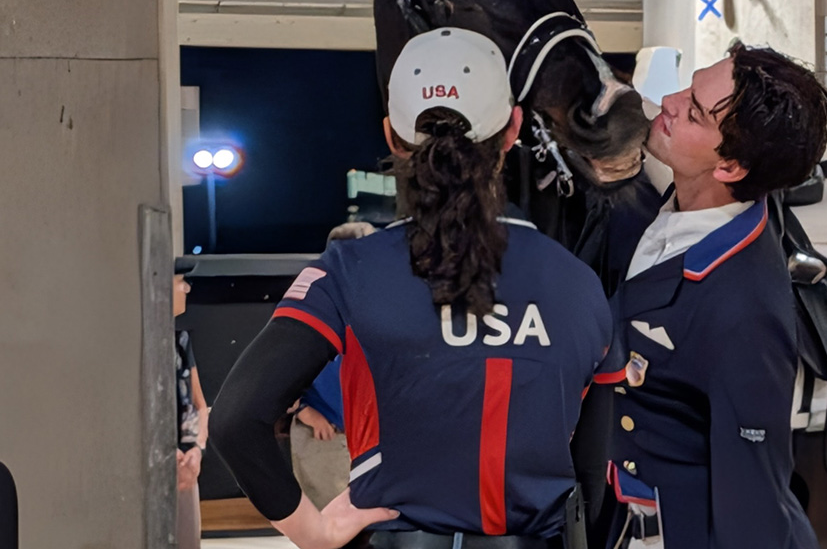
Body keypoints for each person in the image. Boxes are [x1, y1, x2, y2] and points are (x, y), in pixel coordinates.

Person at [210, 28, 622, 549]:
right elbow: (593, 477)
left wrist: (313, 532)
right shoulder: (579, 285)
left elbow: (235, 420)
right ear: (513, 128)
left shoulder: (351, 271)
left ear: (392, 137)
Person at [605, 42, 827, 549]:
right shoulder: (664, 215)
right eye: (690, 84)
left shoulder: (743, 306)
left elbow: (752, 495)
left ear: (729, 166)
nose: (668, 100)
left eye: (693, 112)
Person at [289, 223, 378, 511]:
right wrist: (302, 408)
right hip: (327, 437)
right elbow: (276, 373)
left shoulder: (381, 306)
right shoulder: (312, 304)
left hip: (373, 440)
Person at [174, 257, 209, 549]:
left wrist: (198, 448)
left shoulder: (182, 340)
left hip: (187, 465)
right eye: (178, 283)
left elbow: (200, 404)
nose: (185, 289)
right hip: (162, 466)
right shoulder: (140, 343)